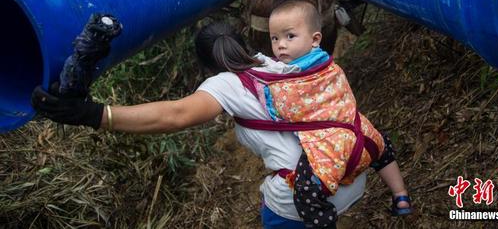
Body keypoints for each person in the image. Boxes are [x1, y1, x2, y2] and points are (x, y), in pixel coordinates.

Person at [31, 22, 372, 229]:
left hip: (302, 197)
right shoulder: (279, 61)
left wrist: (93, 114)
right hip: (352, 173)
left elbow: (175, 115)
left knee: (272, 208)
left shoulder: (224, 84)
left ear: (206, 65)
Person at [234, 0, 412, 228]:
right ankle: (400, 194)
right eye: (275, 38)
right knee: (381, 145)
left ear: (315, 39)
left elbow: (283, 107)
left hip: (327, 145)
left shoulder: (290, 78)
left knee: (306, 191)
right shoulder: (328, 64)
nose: (281, 45)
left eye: (290, 36)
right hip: (356, 129)